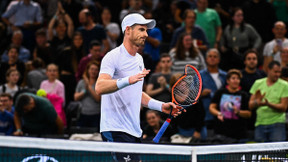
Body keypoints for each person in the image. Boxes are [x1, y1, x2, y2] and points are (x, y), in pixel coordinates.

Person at [95, 13, 182, 161]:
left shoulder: (139, 59)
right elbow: (100, 87)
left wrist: (161, 106)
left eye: (146, 30)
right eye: (141, 30)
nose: (146, 34)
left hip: (133, 130)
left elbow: (136, 93)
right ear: (128, 30)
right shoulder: (113, 56)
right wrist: (127, 80)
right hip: (116, 128)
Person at [249, 61, 288, 142]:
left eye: (279, 72)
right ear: (268, 70)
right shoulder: (258, 83)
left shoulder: (285, 85)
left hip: (277, 123)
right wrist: (257, 102)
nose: (277, 74)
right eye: (275, 72)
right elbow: (250, 105)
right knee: (260, 153)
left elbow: (283, 107)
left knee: (277, 153)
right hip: (260, 123)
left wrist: (268, 104)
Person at [209, 69, 251, 142]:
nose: (236, 80)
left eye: (238, 79)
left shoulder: (244, 95)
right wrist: (218, 113)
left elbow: (248, 114)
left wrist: (238, 112)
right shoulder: (220, 92)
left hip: (239, 133)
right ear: (228, 81)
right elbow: (211, 107)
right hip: (221, 132)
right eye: (233, 78)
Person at [200, 48, 227, 131]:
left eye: (215, 56)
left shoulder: (225, 76)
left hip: (224, 112)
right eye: (210, 56)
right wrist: (201, 94)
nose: (212, 58)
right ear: (206, 59)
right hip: (206, 114)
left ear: (219, 60)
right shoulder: (199, 75)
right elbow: (192, 96)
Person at [74, 61, 101, 129]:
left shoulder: (99, 83)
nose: (93, 71)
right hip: (83, 113)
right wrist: (84, 91)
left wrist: (88, 86)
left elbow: (98, 98)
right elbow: (76, 97)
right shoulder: (81, 82)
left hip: (95, 114)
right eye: (92, 69)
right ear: (88, 70)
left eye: (96, 69)